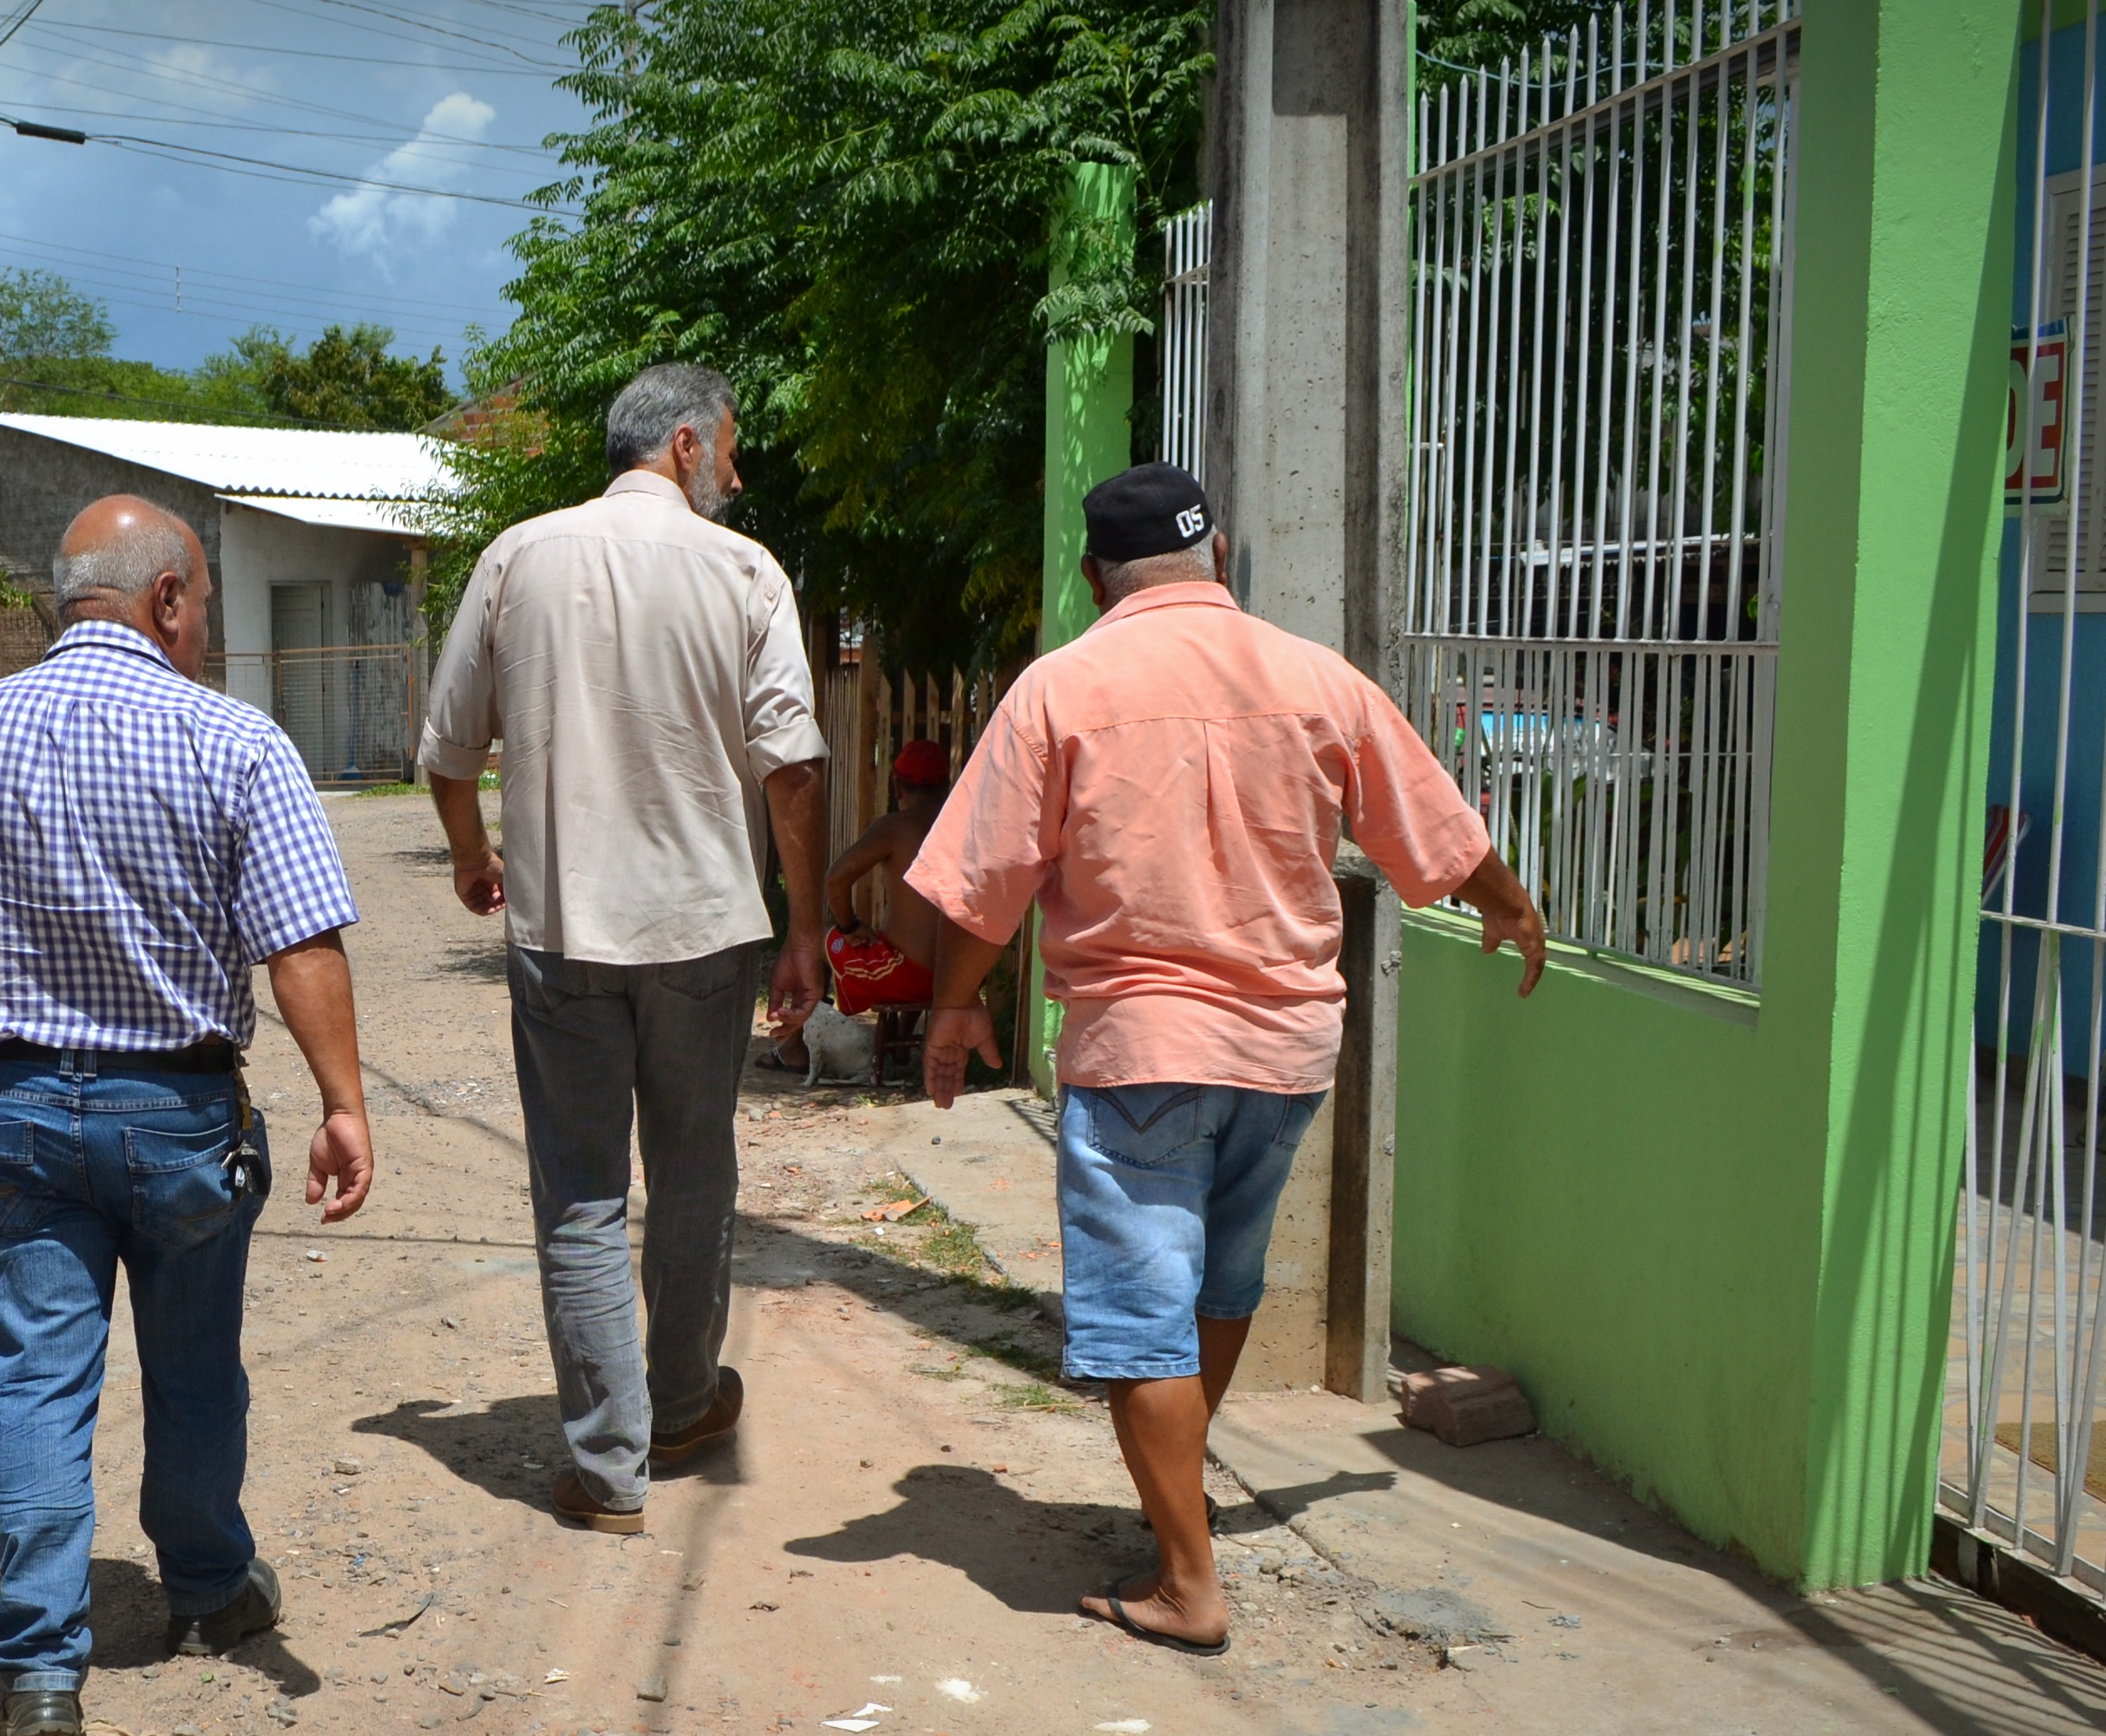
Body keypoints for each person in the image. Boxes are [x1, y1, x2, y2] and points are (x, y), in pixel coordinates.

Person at [904, 462, 1546, 1656]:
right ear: (1224, 553)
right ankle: (1177, 1530)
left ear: (1095, 576)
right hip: (1286, 1050)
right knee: (1218, 1289)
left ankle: (1190, 1583)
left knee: (1144, 1314)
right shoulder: (1316, 678)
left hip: (1141, 1045)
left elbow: (982, 882)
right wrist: (1509, 906)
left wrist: (953, 1012)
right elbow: (1434, 826)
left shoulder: (1062, 688)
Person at [0, 496, 375, 1736]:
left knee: (39, 1375)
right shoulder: (234, 741)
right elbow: (299, 941)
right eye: (200, 604)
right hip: (178, 1112)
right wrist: (345, 1103)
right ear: (171, 600)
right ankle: (204, 1588)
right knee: (194, 1367)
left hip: (17, 1104)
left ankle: (35, 1658)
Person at [416, 361, 829, 1537]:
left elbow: (447, 751)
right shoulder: (745, 570)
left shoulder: (517, 557)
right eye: (732, 448)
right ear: (687, 447)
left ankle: (610, 1471)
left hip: (561, 934)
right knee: (695, 1171)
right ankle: (688, 1400)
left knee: (583, 1195)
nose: (738, 471)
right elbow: (792, 767)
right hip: (708, 931)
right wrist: (806, 925)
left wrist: (471, 856)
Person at [777, 736, 956, 1077]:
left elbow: (835, 880)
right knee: (914, 943)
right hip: (956, 975)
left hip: (905, 975)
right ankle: (899, 1042)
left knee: (818, 940)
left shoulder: (895, 827)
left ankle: (797, 1045)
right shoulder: (966, 828)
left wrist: (848, 926)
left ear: (897, 787)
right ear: (947, 786)